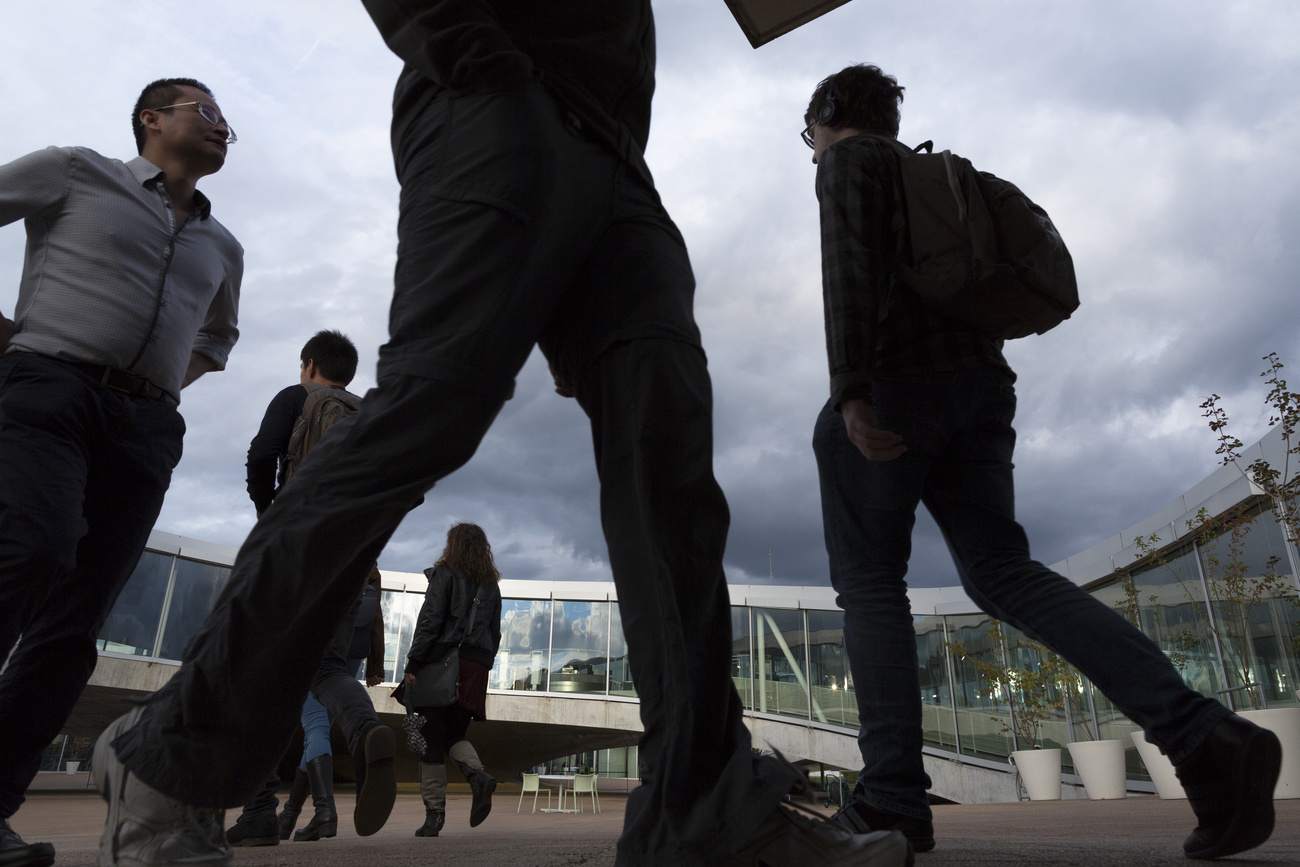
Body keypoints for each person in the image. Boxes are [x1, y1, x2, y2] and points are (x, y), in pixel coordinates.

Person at [89, 8, 910, 867]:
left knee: (670, 461)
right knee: (424, 415)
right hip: (492, 94)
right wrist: (476, 57)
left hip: (619, 163)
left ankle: (708, 817)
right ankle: (169, 754)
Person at [804, 62, 1281, 861]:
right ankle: (1202, 734)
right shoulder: (935, 174)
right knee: (1002, 573)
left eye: (807, 135)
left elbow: (847, 276)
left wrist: (852, 390)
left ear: (827, 116)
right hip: (982, 390)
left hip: (895, 385)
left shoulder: (853, 162)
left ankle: (890, 796)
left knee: (870, 584)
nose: (811, 151)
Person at [0, 77, 241, 867]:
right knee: (28, 552)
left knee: (73, 627)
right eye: (207, 112)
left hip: (143, 428)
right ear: (153, 119)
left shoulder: (223, 246)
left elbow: (217, 340)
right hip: (49, 389)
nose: (223, 127)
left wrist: (152, 383)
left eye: (226, 120)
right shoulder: (75, 171)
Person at [225, 332, 389, 846]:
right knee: (326, 668)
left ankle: (256, 809)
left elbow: (261, 456)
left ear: (310, 364)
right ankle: (365, 731)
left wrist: (267, 513)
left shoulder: (298, 399)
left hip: (297, 549)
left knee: (253, 675)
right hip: (353, 559)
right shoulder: (369, 416)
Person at [401, 523, 503, 837]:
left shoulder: (444, 575)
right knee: (455, 734)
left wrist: (414, 663)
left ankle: (434, 816)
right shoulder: (492, 585)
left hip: (444, 661)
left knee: (432, 740)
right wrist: (482, 663)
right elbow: (494, 633)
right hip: (476, 666)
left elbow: (430, 620)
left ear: (453, 545)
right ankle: (478, 777)